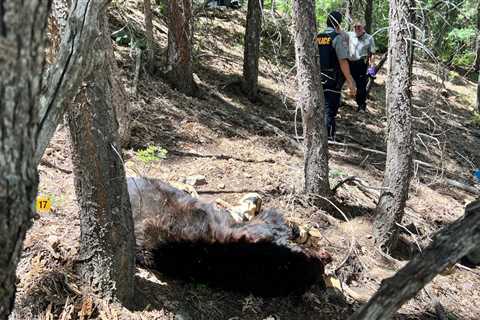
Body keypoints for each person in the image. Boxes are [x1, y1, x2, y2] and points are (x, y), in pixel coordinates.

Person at [317, 11, 357, 140]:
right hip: (333, 79)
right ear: (338, 23)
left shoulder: (317, 36)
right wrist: (350, 80)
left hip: (317, 77)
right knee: (330, 108)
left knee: (320, 107)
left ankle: (322, 136)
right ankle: (328, 138)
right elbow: (342, 60)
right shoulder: (337, 38)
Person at [348, 21, 376, 112]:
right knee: (339, 81)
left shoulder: (369, 38)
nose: (357, 28)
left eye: (359, 27)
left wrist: (372, 67)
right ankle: (337, 102)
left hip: (361, 64)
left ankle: (361, 105)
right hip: (348, 63)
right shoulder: (350, 35)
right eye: (355, 27)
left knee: (361, 86)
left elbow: (372, 54)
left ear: (363, 27)